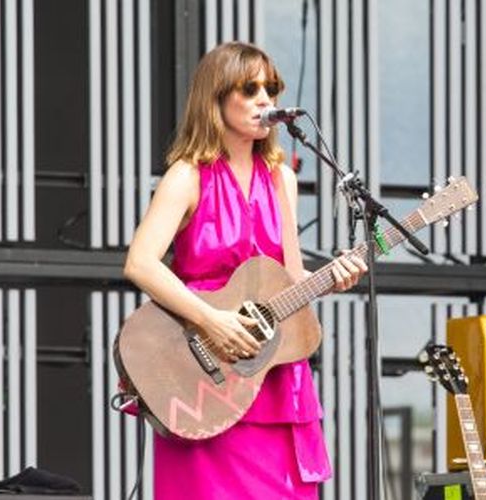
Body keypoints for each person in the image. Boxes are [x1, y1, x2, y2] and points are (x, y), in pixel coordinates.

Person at [123, 41, 367, 499]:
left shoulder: (281, 179)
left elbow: (290, 277)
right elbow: (140, 262)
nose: (265, 101)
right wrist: (211, 319)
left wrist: (332, 278)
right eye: (249, 88)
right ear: (216, 97)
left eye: (271, 89)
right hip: (203, 377)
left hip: (270, 379)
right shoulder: (188, 175)